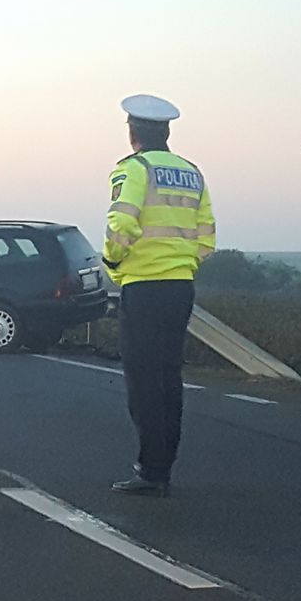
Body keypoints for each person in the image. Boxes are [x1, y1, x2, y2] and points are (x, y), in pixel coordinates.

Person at [102, 94, 216, 497]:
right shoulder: (191, 172)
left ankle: (151, 471)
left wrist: (113, 263)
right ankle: (163, 464)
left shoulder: (134, 170)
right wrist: (182, 265)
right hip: (180, 287)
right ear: (166, 132)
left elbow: (121, 224)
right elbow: (206, 237)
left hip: (143, 287)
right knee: (170, 378)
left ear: (133, 132)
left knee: (143, 383)